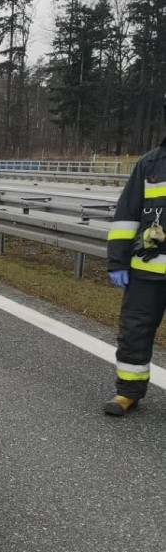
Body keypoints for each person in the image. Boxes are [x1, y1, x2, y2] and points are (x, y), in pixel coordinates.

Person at [103, 92, 166, 416]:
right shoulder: (151, 162)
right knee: (134, 332)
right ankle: (128, 391)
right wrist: (116, 261)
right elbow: (127, 215)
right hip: (147, 269)